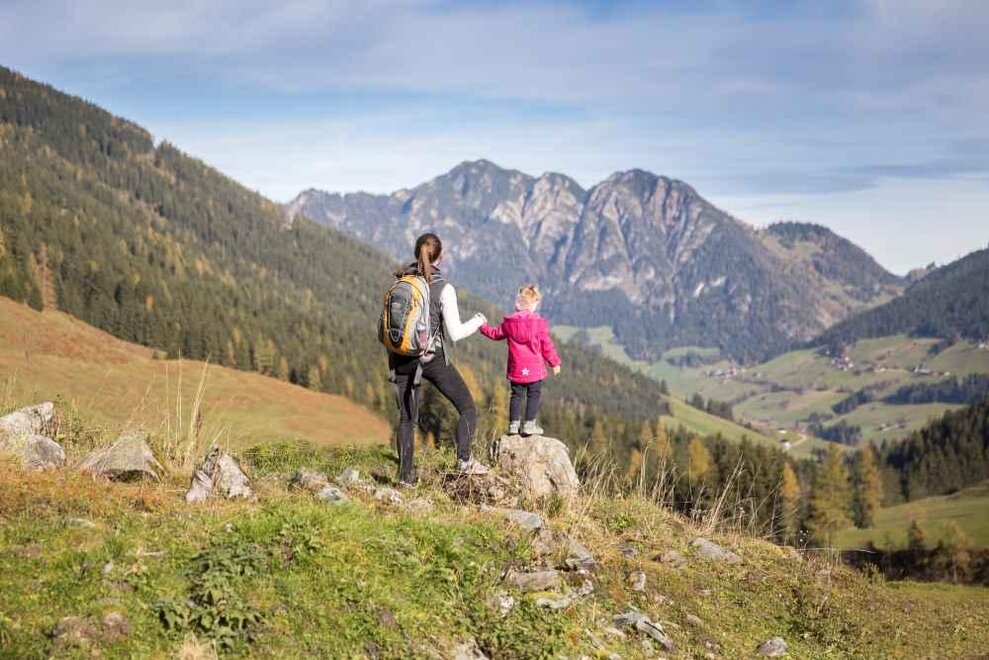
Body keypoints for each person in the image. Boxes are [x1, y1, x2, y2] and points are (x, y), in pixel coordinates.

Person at [388, 233, 491, 485]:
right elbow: (455, 333)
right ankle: (464, 461)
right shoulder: (444, 288)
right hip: (431, 359)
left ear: (416, 253)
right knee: (467, 408)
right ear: (440, 257)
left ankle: (405, 478)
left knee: (407, 419)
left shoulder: (403, 279)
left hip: (401, 356)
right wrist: (478, 321)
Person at [479, 284, 561, 436]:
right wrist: (554, 362)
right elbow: (547, 345)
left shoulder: (509, 323)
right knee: (533, 394)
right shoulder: (538, 324)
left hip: (516, 369)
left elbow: (495, 334)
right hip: (535, 370)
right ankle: (529, 424)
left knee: (516, 395)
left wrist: (483, 327)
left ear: (518, 304)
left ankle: (513, 425)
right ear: (534, 304)